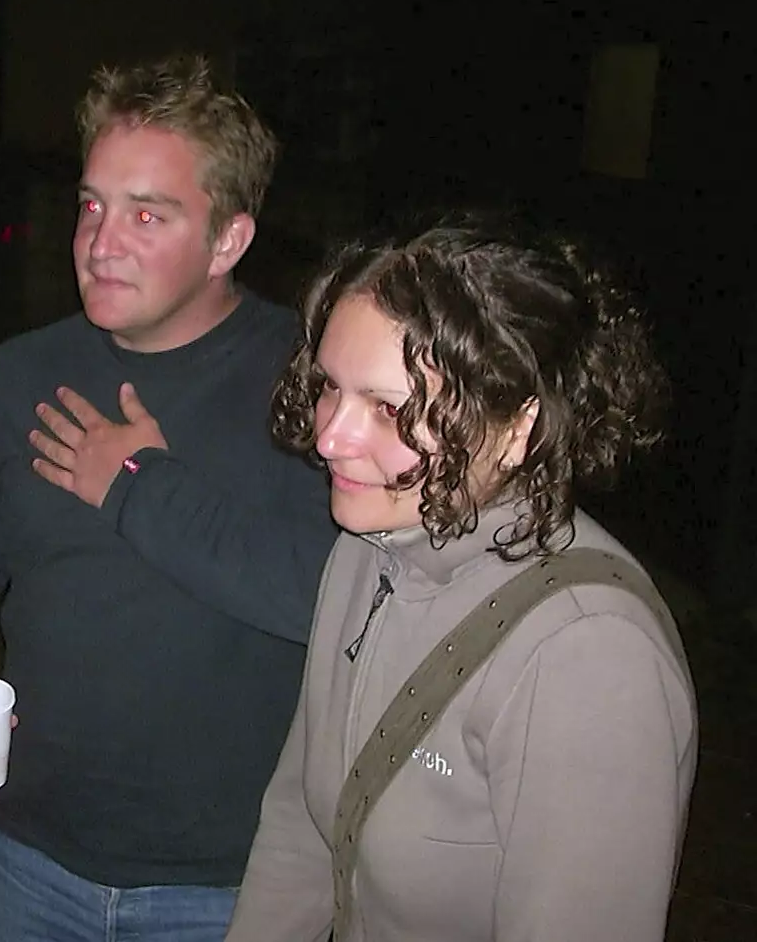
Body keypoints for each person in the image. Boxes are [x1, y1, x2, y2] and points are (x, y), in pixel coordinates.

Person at [0, 54, 339, 940]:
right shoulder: (24, 372)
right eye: (93, 204)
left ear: (228, 241)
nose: (101, 242)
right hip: (30, 859)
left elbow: (326, 598)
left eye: (149, 214)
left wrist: (140, 487)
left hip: (224, 885)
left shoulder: (309, 386)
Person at [225, 213, 697, 942]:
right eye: (329, 388)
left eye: (388, 408)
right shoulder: (371, 544)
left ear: (519, 429)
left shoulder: (590, 656)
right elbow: (302, 825)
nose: (328, 437)